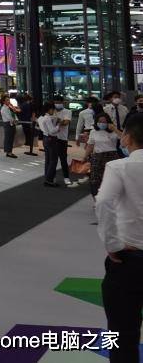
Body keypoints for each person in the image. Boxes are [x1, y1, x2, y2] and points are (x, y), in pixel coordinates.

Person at [95, 115, 143, 363]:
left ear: (128, 137)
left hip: (129, 259)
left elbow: (104, 202)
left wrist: (112, 245)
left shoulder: (119, 167)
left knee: (123, 335)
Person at [86, 112, 121, 198]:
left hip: (112, 157)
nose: (102, 123)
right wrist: (85, 156)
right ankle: (96, 198)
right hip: (97, 157)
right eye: (100, 121)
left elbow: (124, 138)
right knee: (95, 180)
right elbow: (90, 145)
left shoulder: (113, 131)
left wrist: (115, 129)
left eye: (104, 121)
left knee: (111, 180)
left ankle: (110, 198)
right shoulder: (93, 131)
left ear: (108, 122)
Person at [41, 98, 72, 187]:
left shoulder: (67, 111)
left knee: (62, 159)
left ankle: (65, 177)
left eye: (59, 102)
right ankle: (50, 178)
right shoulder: (49, 116)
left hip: (61, 138)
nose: (57, 104)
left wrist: (58, 121)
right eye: (56, 103)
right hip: (52, 138)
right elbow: (53, 129)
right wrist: (58, 123)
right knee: (52, 160)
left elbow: (66, 122)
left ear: (63, 102)